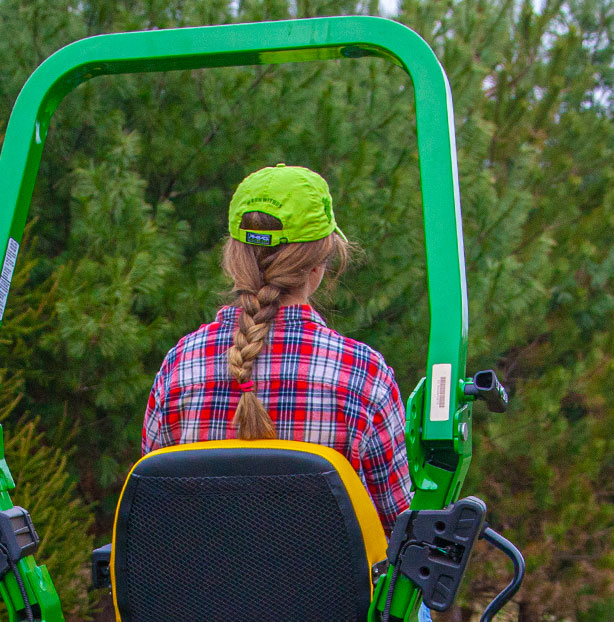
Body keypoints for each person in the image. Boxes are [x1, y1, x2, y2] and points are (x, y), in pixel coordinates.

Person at [141, 164, 413, 537]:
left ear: (233, 260)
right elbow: (399, 527)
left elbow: (154, 510)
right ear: (318, 266)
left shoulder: (181, 365)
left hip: (201, 593)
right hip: (331, 597)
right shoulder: (361, 374)